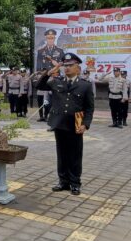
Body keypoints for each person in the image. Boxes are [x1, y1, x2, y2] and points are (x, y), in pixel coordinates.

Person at [36, 53, 94, 196]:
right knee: (61, 154)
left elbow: (89, 107)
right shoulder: (57, 81)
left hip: (76, 123)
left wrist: (85, 124)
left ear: (78, 68)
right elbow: (39, 85)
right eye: (65, 66)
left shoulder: (85, 85)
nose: (67, 68)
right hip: (59, 123)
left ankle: (75, 183)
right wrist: (50, 71)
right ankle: (63, 181)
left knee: (75, 154)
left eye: (70, 66)